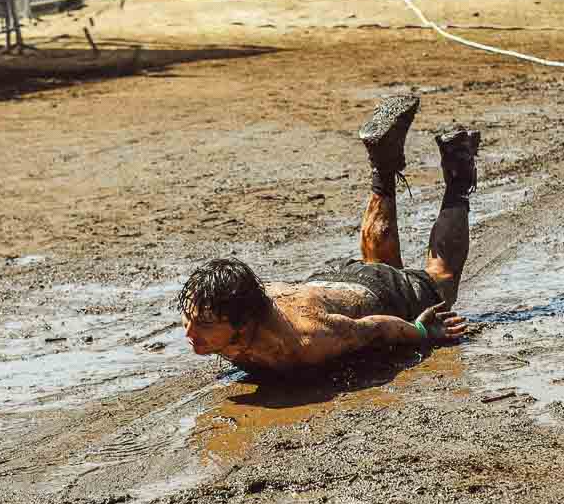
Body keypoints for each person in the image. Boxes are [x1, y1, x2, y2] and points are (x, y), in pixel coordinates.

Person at [181, 97, 477, 375]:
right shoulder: (219, 302)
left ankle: (458, 174)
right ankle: (382, 166)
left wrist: (422, 331)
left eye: (204, 325)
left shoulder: (306, 341)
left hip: (353, 296)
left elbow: (372, 328)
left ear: (244, 325)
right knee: (385, 277)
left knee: (441, 283)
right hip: (334, 284)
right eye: (189, 317)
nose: (189, 333)